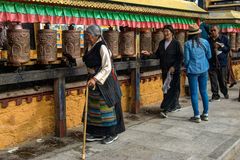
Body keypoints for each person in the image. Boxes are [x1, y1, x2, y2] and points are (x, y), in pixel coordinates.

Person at [82, 25, 125, 144]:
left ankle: (112, 133)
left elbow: (107, 66)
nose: (87, 37)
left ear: (96, 36)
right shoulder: (89, 46)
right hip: (93, 80)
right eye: (87, 35)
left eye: (89, 35)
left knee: (106, 107)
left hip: (104, 82)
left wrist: (95, 79)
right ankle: (98, 133)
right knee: (94, 108)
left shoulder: (102, 47)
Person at [142, 25, 183, 118]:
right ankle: (174, 106)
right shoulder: (161, 43)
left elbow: (180, 57)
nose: (166, 33)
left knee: (172, 89)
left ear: (172, 33)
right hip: (165, 70)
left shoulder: (176, 43)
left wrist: (174, 66)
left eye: (168, 31)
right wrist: (149, 54)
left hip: (173, 71)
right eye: (164, 32)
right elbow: (157, 55)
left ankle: (165, 109)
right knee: (166, 89)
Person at [184, 24, 212, 123]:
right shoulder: (205, 42)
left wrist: (186, 67)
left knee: (194, 93)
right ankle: (205, 114)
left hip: (192, 70)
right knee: (204, 92)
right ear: (199, 33)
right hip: (204, 69)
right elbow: (209, 56)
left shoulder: (187, 44)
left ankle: (196, 116)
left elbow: (186, 60)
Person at [208, 25, 230, 101]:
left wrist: (221, 47)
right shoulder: (208, 40)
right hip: (212, 63)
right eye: (211, 30)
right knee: (213, 80)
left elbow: (227, 49)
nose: (213, 32)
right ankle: (215, 95)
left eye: (214, 30)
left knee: (222, 80)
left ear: (218, 30)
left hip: (222, 63)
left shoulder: (224, 38)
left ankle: (225, 92)